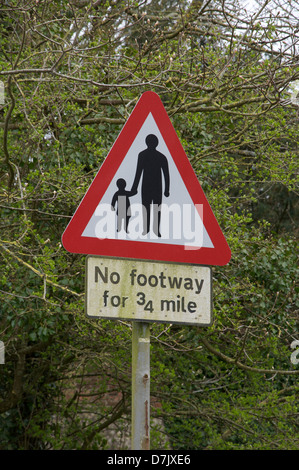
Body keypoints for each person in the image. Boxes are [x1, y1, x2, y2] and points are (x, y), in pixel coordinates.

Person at [131, 134, 170, 237]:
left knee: (153, 208)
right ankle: (147, 229)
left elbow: (166, 174)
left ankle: (154, 230)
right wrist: (134, 188)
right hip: (150, 187)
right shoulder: (146, 155)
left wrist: (167, 190)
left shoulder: (159, 157)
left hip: (154, 187)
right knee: (148, 208)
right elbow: (138, 172)